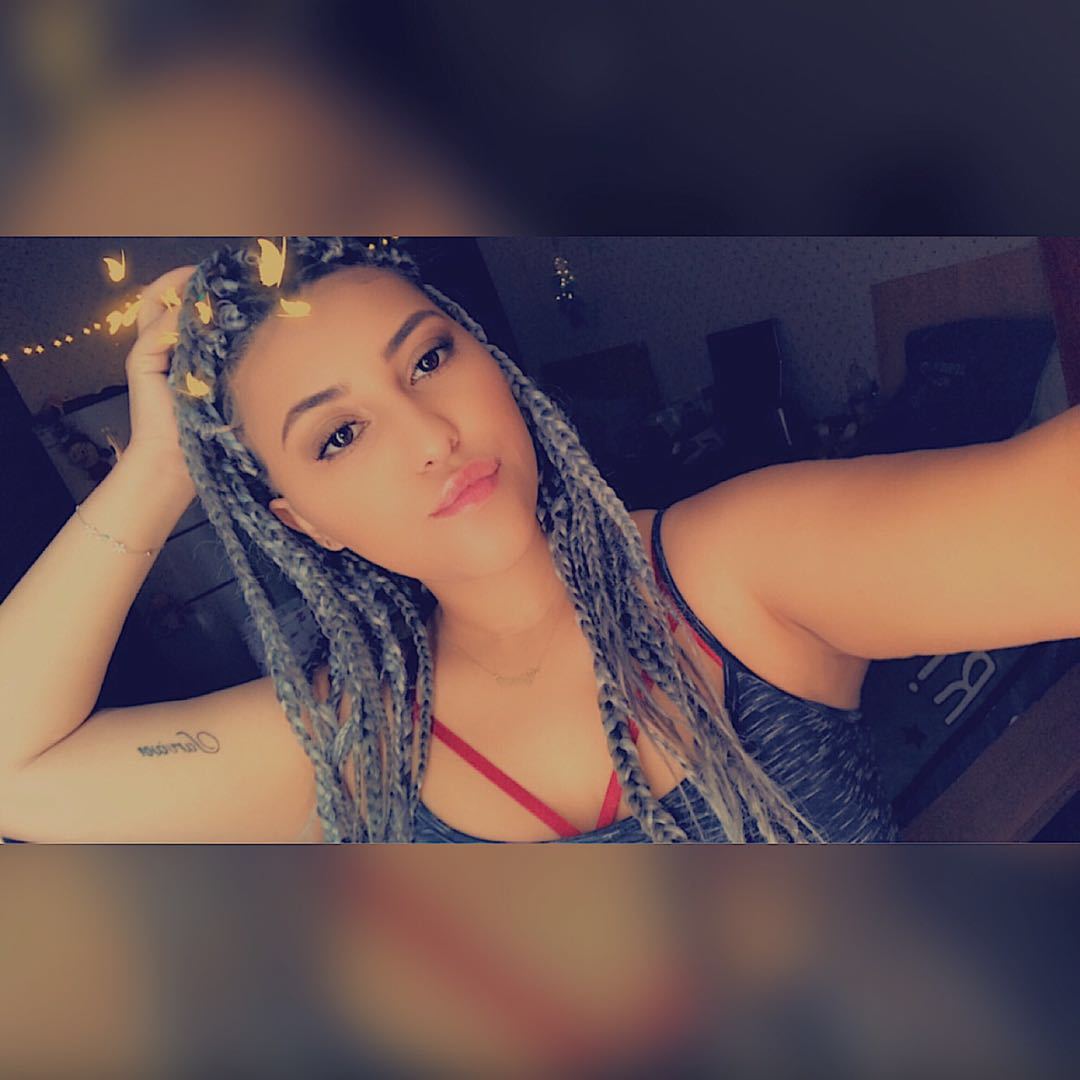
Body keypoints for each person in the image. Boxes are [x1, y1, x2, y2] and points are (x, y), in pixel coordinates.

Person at [0, 238, 900, 843]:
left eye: (428, 360)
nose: (431, 437)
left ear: (494, 366)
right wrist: (159, 467)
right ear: (304, 523)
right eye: (339, 436)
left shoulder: (740, 564)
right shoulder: (359, 741)